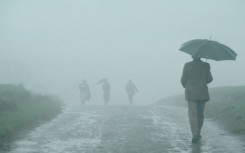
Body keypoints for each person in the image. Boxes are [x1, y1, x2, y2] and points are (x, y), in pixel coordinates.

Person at [181, 56, 213, 143]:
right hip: (202, 92)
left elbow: (183, 79)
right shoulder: (206, 65)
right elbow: (209, 79)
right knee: (200, 113)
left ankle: (195, 134)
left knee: (192, 114)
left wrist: (186, 85)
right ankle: (198, 132)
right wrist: (202, 80)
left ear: (192, 55)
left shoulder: (187, 65)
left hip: (190, 92)